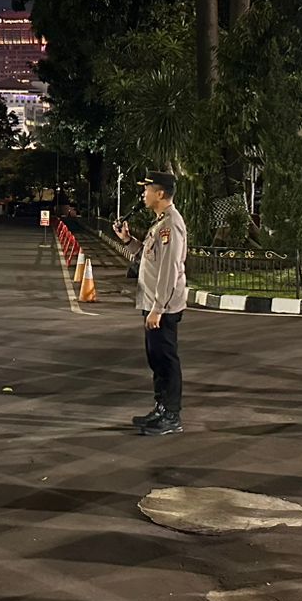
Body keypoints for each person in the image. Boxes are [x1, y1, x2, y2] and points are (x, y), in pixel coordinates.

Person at [114, 171, 188, 436]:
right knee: (155, 359)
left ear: (160, 193)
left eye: (147, 190)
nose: (143, 194)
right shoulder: (160, 223)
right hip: (153, 302)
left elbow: (169, 270)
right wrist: (127, 241)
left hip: (163, 307)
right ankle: (161, 408)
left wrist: (158, 308)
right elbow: (149, 258)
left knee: (166, 360)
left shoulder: (171, 225)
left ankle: (172, 415)